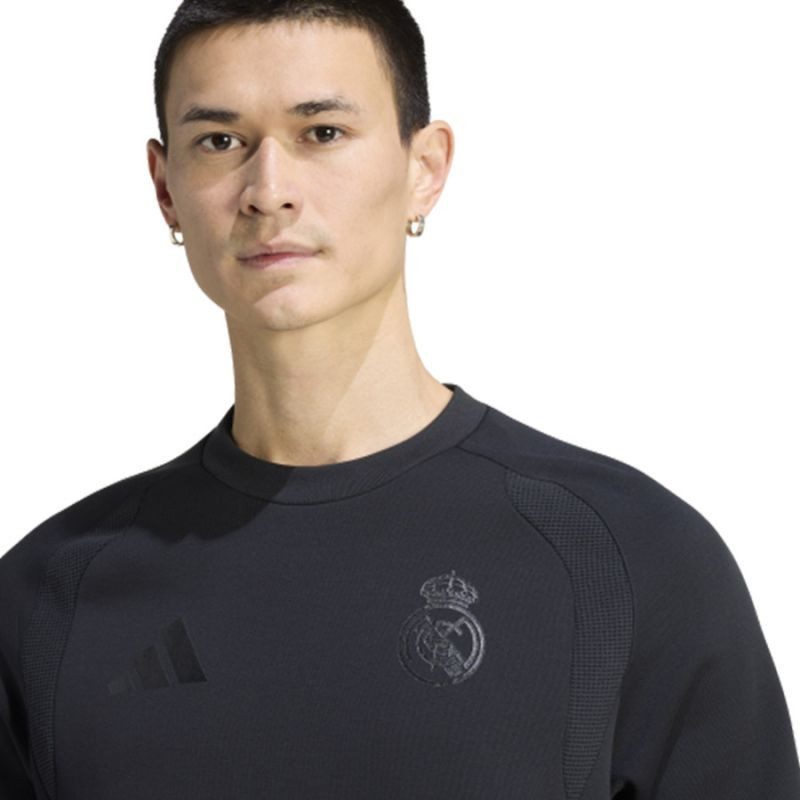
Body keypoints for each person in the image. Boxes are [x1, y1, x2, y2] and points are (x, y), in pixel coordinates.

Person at [1, 0, 798, 797]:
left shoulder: (626, 560)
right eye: (220, 141)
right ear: (165, 187)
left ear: (426, 168)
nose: (268, 191)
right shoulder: (46, 602)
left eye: (322, 133)